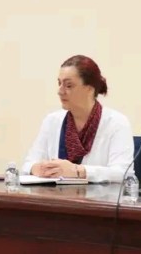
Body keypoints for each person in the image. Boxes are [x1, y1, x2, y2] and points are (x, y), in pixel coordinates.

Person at [22, 55, 134, 183]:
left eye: (68, 85)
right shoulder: (52, 121)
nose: (60, 91)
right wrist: (37, 168)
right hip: (55, 194)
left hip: (98, 195)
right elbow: (28, 164)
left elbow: (123, 173)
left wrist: (78, 171)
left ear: (90, 89)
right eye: (59, 84)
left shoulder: (116, 123)